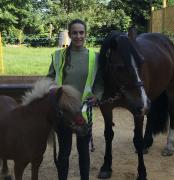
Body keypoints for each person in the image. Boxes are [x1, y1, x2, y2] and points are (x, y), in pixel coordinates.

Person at [47, 19, 104, 180]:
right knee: (64, 152)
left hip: (83, 112)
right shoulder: (59, 56)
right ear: (69, 34)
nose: (78, 36)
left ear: (85, 34)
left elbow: (99, 82)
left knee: (83, 151)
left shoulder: (95, 57)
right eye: (74, 33)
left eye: (81, 32)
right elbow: (50, 78)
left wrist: (97, 95)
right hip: (63, 112)